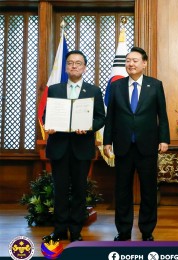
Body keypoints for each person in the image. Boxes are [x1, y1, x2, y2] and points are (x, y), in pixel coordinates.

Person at [103, 47, 170, 241]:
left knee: (148, 191)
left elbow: (162, 115)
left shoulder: (155, 85)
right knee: (122, 191)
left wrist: (164, 138)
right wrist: (107, 141)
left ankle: (147, 231)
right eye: (128, 61)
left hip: (147, 146)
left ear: (144, 63)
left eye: (135, 60)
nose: (130, 64)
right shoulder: (116, 86)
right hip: (123, 146)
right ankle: (123, 231)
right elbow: (111, 117)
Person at [42, 50, 106, 242]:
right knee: (60, 190)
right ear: (66, 67)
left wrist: (88, 128)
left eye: (78, 63)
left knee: (79, 190)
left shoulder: (93, 90)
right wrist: (49, 125)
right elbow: (46, 116)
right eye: (70, 63)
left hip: (82, 148)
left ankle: (76, 231)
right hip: (59, 147)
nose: (74, 66)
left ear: (84, 67)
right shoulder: (54, 89)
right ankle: (60, 230)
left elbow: (100, 118)